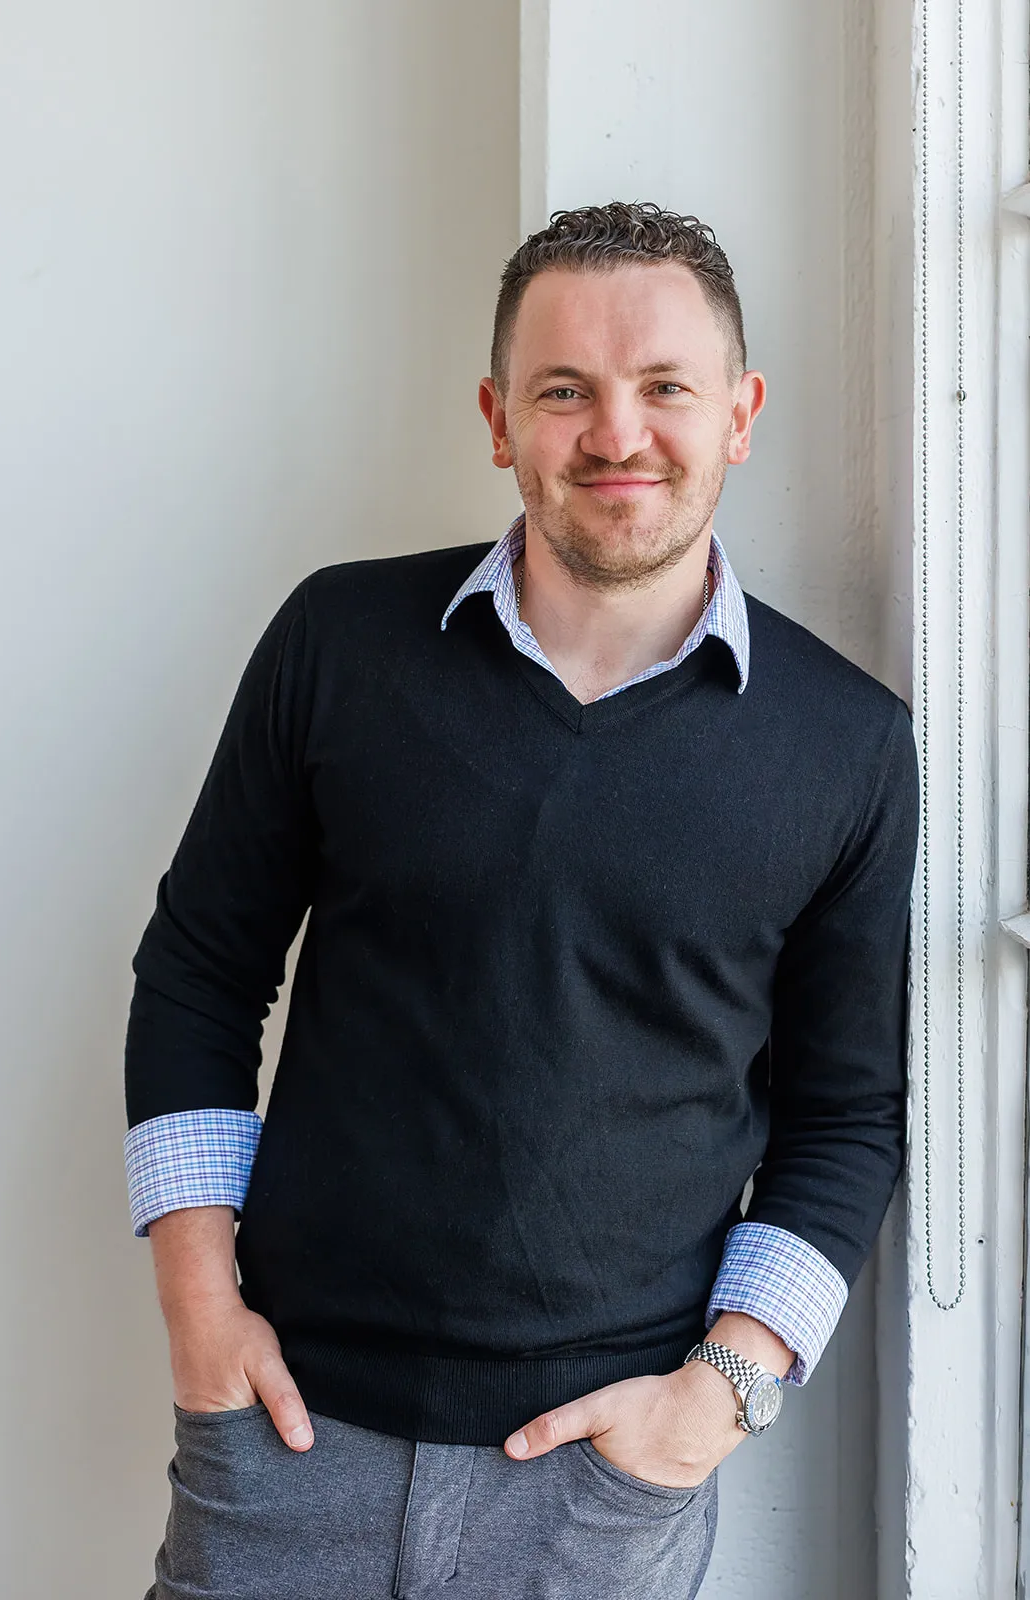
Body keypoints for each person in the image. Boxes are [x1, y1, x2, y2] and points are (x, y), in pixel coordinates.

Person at [124, 200, 919, 1600]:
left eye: (665, 387)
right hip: (286, 1437)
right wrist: (200, 1308)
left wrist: (719, 1395)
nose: (618, 434)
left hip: (600, 1486)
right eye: (565, 392)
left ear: (739, 415)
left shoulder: (845, 745)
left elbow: (845, 1115)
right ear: (499, 421)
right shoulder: (338, 644)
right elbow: (200, 970)